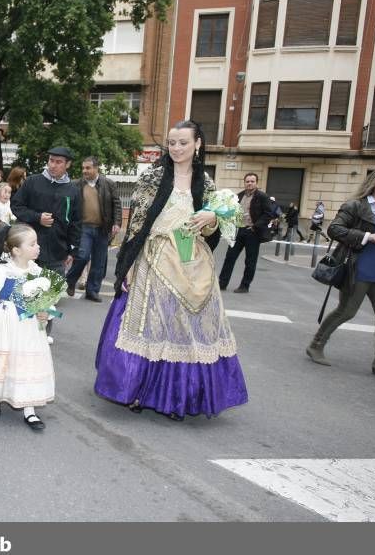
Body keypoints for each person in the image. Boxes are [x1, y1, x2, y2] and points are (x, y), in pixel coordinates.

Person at [95, 120, 248, 421]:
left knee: (184, 330)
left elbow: (213, 233)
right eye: (172, 143)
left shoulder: (206, 184)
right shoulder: (152, 178)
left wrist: (211, 217)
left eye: (183, 143)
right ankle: (138, 391)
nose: (176, 148)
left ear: (198, 145)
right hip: (154, 260)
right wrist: (127, 266)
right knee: (150, 326)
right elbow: (136, 226)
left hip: (191, 262)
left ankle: (178, 397)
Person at [0, 223, 55, 430]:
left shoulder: (37, 271)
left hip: (28, 326)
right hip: (4, 321)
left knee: (26, 363)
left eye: (37, 243)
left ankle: (29, 409)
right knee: (3, 359)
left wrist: (46, 311)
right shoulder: (3, 270)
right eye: (32, 244)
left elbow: (44, 299)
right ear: (16, 250)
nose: (38, 247)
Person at [306, 170, 375, 375]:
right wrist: (367, 236)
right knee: (347, 311)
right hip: (358, 267)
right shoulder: (356, 205)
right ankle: (316, 345)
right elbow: (334, 229)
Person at [10, 146, 82, 340]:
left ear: (68, 165)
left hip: (57, 250)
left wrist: (72, 250)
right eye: (51, 160)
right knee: (24, 291)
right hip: (29, 249)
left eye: (59, 162)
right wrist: (36, 217)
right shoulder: (33, 182)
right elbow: (16, 206)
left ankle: (42, 335)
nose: (53, 165)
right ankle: (20, 333)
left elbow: (76, 222)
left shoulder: (73, 191)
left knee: (47, 295)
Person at [65, 156, 122, 303]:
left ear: (97, 168)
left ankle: (92, 291)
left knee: (98, 261)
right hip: (83, 227)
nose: (84, 171)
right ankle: (70, 280)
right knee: (82, 256)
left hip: (103, 228)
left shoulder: (108, 184)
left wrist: (117, 222)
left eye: (88, 168)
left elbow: (116, 204)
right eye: (83, 168)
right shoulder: (76, 184)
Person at [217, 172, 273, 293]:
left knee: (250, 261)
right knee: (229, 258)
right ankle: (222, 283)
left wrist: (255, 226)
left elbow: (268, 214)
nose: (249, 183)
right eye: (247, 181)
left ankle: (244, 286)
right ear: (244, 182)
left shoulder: (262, 196)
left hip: (252, 232)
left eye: (252, 181)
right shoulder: (239, 195)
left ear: (256, 183)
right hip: (238, 231)